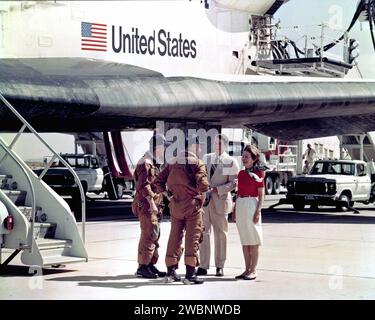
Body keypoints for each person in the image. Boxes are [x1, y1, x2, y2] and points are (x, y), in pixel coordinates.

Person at [154, 134, 209, 285]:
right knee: (193, 238)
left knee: (174, 237)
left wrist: (169, 196)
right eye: (199, 146)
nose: (200, 148)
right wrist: (201, 198)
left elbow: (158, 181)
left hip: (175, 205)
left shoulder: (172, 162)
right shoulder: (197, 162)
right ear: (194, 146)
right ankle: (190, 275)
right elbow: (203, 185)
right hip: (192, 206)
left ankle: (171, 272)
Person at [197, 134, 239, 277]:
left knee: (221, 235)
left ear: (225, 145)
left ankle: (220, 265)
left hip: (220, 201)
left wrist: (216, 189)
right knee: (204, 233)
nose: (216, 146)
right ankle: (203, 265)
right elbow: (201, 177)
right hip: (206, 202)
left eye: (219, 144)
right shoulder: (207, 158)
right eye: (215, 143)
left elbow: (233, 183)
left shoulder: (229, 162)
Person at [131, 134, 169, 279]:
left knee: (154, 234)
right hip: (147, 205)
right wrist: (152, 202)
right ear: (157, 147)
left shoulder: (153, 162)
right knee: (148, 234)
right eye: (163, 147)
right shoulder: (145, 162)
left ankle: (150, 264)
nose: (164, 150)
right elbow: (143, 185)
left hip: (155, 206)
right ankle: (142, 266)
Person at [235, 144, 265, 281]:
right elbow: (239, 192)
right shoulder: (241, 174)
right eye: (243, 156)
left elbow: (261, 194)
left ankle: (253, 270)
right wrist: (235, 209)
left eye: (247, 157)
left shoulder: (259, 173)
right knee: (245, 240)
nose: (244, 159)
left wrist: (258, 211)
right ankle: (246, 269)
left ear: (254, 159)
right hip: (241, 204)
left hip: (252, 204)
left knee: (253, 239)